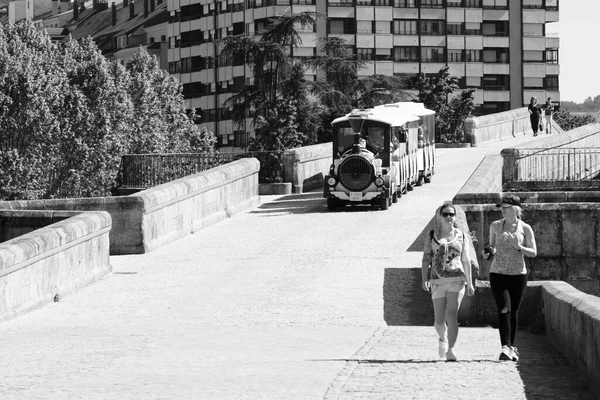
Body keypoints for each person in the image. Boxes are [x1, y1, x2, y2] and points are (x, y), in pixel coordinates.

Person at [482, 195, 537, 362]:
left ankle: (512, 347)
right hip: (498, 273)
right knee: (504, 309)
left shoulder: (525, 228)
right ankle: (505, 347)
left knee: (514, 312)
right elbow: (491, 247)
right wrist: (487, 253)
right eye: (501, 208)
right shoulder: (495, 226)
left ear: (515, 208)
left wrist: (518, 247)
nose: (502, 210)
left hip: (518, 274)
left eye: (505, 207)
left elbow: (534, 252)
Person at [421, 203, 475, 362]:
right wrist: (424, 278)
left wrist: (470, 283)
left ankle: (451, 350)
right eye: (445, 214)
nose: (449, 217)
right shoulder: (431, 236)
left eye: (451, 214)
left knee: (452, 314)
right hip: (437, 281)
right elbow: (426, 259)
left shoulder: (462, 235)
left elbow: (466, 260)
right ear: (439, 216)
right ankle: (442, 339)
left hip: (457, 280)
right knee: (438, 321)